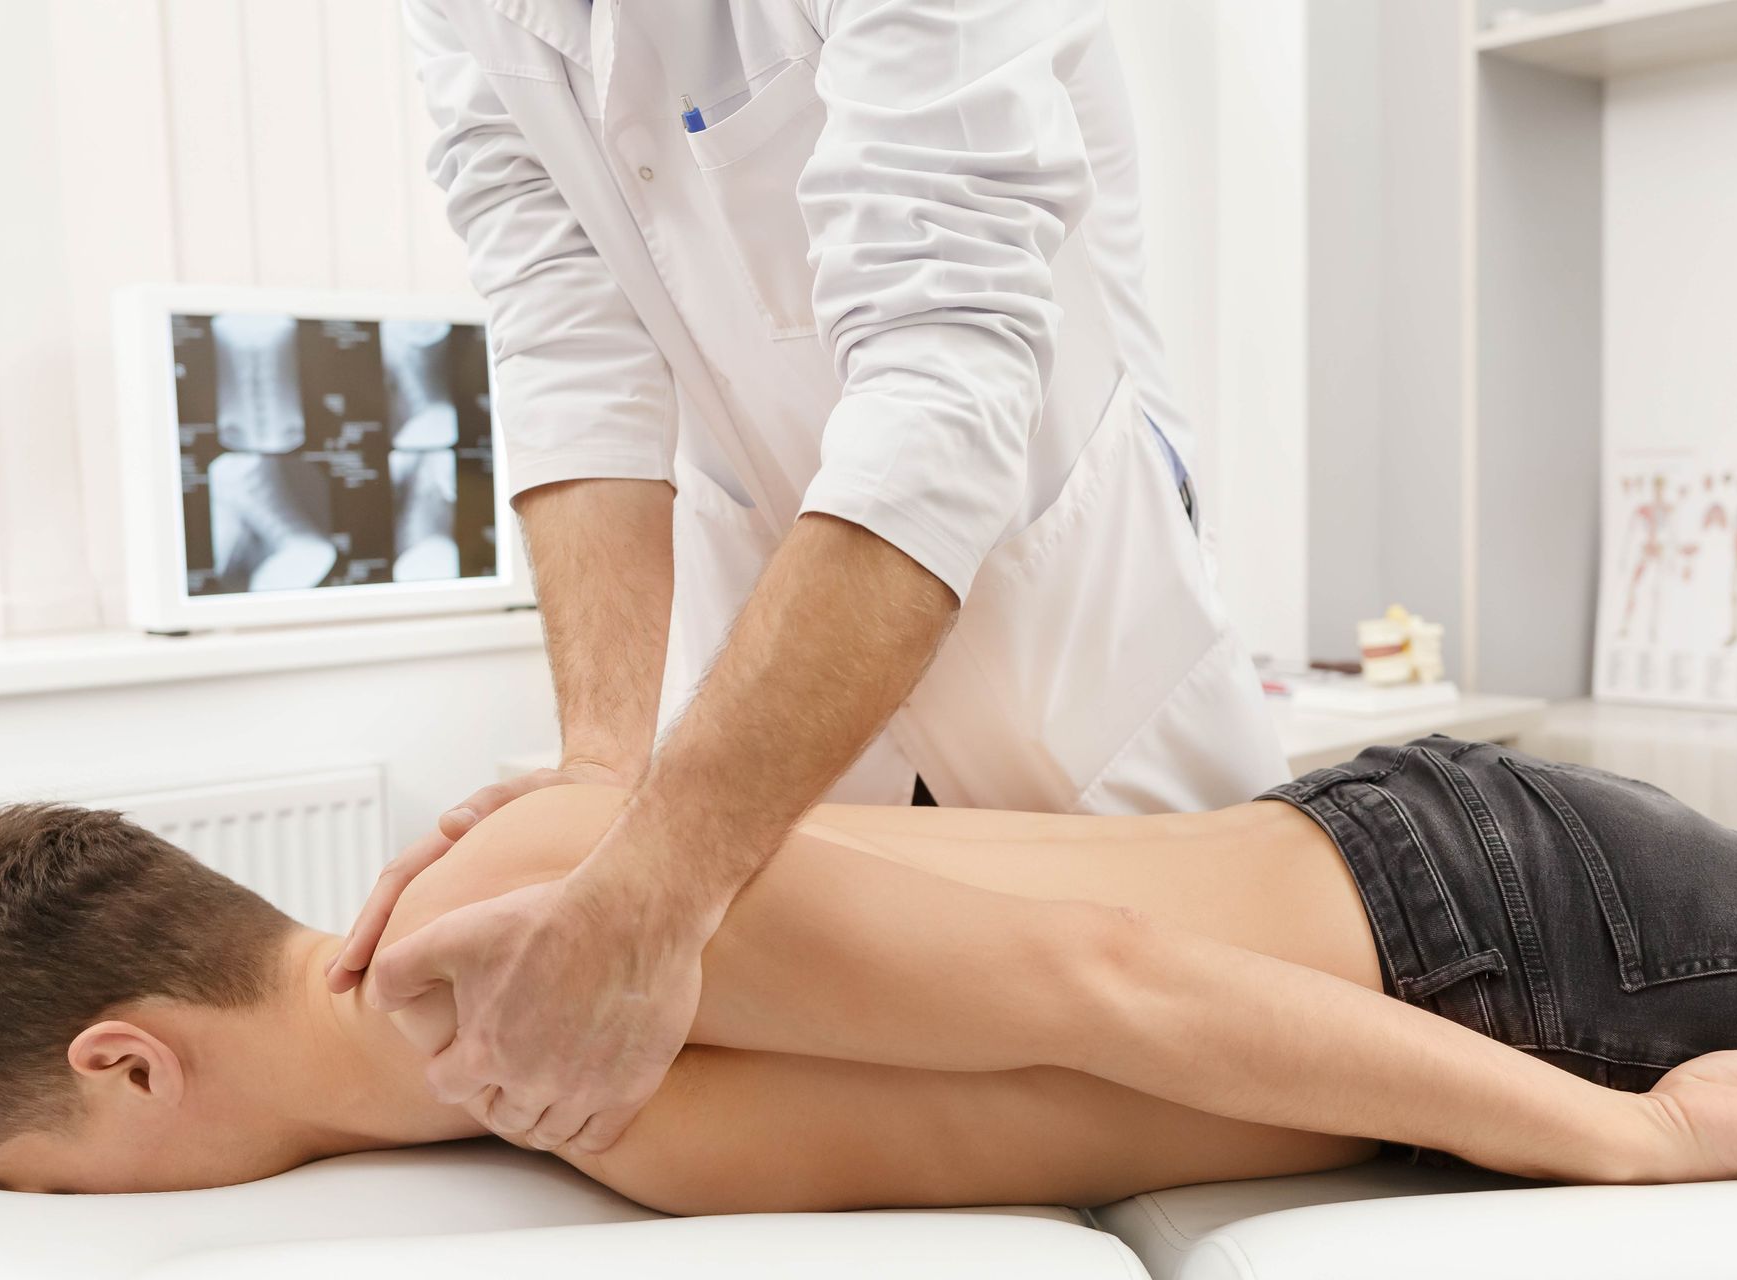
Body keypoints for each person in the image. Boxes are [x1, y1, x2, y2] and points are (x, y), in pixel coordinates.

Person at [337, 0, 1291, 1158]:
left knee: (1209, 1056)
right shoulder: (463, 16)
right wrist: (601, 772)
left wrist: (654, 885)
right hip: (780, 679)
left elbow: (942, 384)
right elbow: (569, 352)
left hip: (1062, 636)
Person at [0, 737, 1737, 1204]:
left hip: (1496, 947)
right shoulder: (479, 1054)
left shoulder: (513, 927)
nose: (66, 1221)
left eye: (44, 1190)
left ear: (126, 1063)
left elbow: (1104, 976)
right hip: (1459, 929)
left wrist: (1638, 1141)